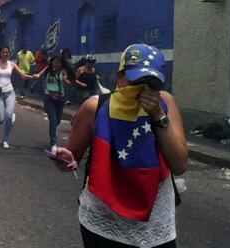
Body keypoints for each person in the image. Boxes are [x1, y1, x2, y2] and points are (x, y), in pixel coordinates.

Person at [53, 44, 187, 248]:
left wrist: (158, 116)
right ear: (120, 78)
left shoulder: (165, 103)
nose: (143, 89)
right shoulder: (94, 107)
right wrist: (64, 159)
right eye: (136, 80)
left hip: (155, 220)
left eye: (151, 83)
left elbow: (178, 165)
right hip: (104, 220)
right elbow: (72, 158)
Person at [0, 46, 37, 149]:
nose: (5, 54)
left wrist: (32, 77)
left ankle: (5, 140)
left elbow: (22, 75)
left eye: (7, 52)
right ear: (0, 53)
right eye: (3, 52)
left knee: (9, 116)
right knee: (0, 118)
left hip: (9, 92)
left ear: (9, 53)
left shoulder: (12, 64)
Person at [35, 55, 75, 151]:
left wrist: (67, 81)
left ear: (61, 64)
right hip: (48, 98)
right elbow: (39, 75)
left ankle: (53, 128)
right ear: (52, 62)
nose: (56, 64)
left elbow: (68, 82)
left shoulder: (63, 72)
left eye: (58, 62)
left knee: (57, 121)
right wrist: (34, 76)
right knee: (53, 120)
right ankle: (53, 143)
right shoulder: (48, 70)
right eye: (55, 62)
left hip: (60, 99)